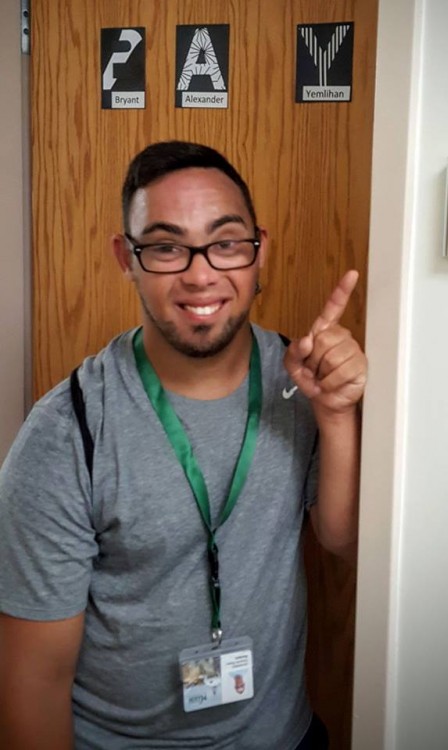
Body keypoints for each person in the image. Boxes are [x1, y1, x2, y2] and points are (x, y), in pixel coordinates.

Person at [0, 141, 367, 749]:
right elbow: (32, 680)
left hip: (282, 736)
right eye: (167, 247)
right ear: (128, 257)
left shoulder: (301, 381)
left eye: (225, 243)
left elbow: (345, 538)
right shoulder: (68, 431)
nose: (201, 274)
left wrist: (335, 414)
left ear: (258, 250)